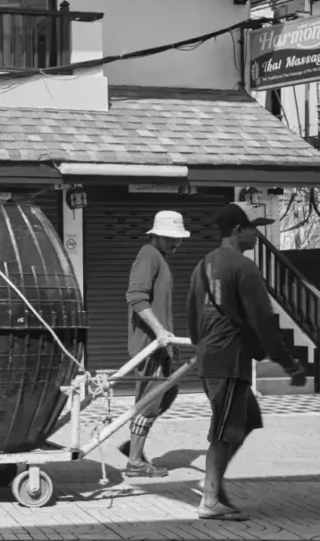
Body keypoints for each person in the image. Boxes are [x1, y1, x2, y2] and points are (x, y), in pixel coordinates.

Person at [186, 203, 308, 521]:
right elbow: (264, 320)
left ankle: (214, 484)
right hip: (228, 360)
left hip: (213, 357)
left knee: (247, 419)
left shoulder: (202, 266)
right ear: (239, 230)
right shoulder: (243, 266)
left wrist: (202, 347)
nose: (258, 233)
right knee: (225, 431)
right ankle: (210, 498)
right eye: (253, 228)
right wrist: (287, 362)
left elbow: (189, 316)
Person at [118, 210, 189, 478]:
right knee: (150, 401)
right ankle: (135, 461)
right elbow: (136, 297)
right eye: (171, 238)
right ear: (156, 234)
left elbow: (160, 306)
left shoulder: (158, 257)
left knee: (166, 394)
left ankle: (133, 443)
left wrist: (168, 338)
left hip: (160, 344)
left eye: (178, 238)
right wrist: (159, 331)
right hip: (149, 344)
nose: (176, 243)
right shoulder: (148, 255)